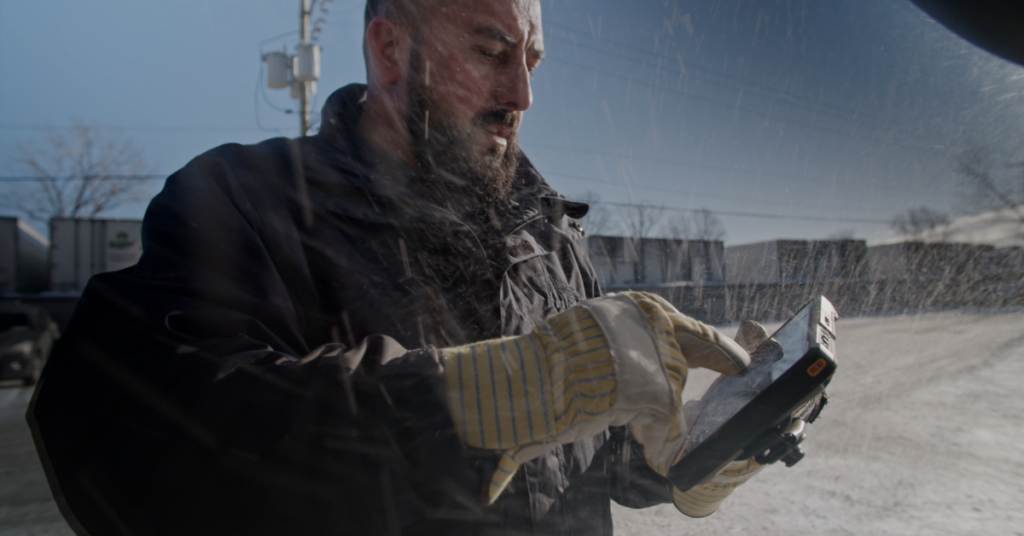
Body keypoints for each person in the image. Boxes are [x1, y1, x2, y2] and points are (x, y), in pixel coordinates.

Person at [27, 1, 766, 534]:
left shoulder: (550, 239)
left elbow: (583, 463)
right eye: (491, 51)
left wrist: (700, 452)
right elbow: (114, 431)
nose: (522, 95)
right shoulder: (248, 203)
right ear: (388, 52)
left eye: (531, 61)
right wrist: (471, 397)